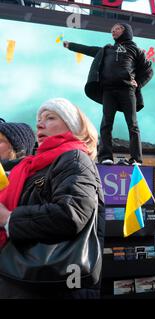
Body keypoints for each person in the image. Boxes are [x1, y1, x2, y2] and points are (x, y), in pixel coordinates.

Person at [0, 98, 105, 298]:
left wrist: (8, 218)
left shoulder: (74, 158)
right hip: (31, 281)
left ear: (73, 126)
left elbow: (70, 215)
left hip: (55, 286)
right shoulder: (34, 166)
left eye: (50, 118)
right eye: (39, 119)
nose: (39, 124)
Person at [63, 23, 153, 165]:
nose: (113, 31)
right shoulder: (107, 49)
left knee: (133, 124)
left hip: (127, 90)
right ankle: (106, 157)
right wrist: (70, 45)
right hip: (108, 90)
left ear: (125, 30)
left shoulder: (136, 50)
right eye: (111, 30)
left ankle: (136, 158)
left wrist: (139, 83)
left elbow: (149, 70)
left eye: (116, 29)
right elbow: (88, 49)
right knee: (106, 123)